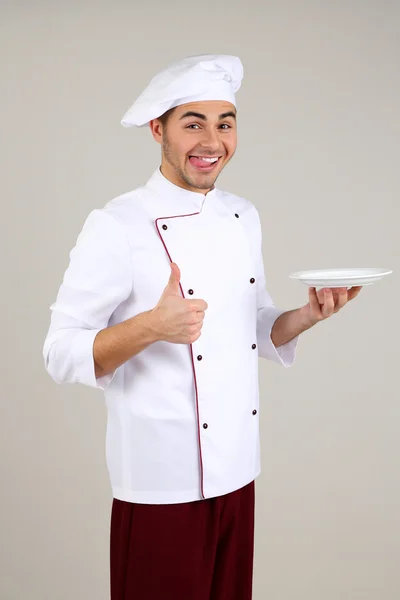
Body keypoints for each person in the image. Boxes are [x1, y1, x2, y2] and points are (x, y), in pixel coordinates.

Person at [42, 54, 362, 600]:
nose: (212, 141)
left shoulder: (242, 216)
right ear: (157, 129)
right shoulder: (117, 224)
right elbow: (59, 352)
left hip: (237, 471)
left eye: (225, 123)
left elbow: (254, 326)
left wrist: (307, 316)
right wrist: (150, 326)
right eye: (193, 123)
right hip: (160, 481)